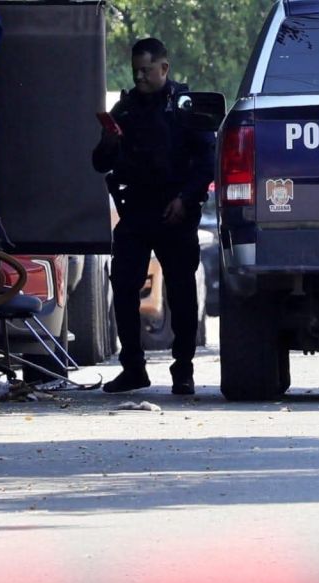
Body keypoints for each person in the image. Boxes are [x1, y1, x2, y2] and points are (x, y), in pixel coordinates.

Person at [92, 37, 214, 395]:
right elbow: (100, 162)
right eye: (136, 71)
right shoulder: (125, 109)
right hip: (136, 209)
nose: (139, 77)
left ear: (164, 68)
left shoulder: (185, 107)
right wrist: (109, 142)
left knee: (181, 290)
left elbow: (206, 161)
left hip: (176, 211)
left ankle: (183, 369)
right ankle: (133, 367)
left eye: (146, 70)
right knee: (123, 285)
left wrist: (185, 199)